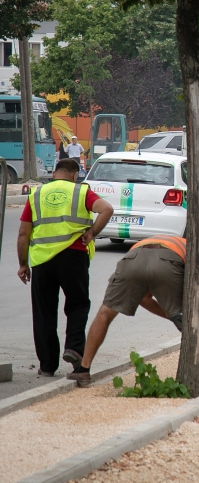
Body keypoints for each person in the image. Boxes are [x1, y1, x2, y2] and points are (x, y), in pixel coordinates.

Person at [66, 235, 199, 387]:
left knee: (105, 313)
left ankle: (83, 370)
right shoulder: (193, 249)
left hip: (131, 259)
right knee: (198, 317)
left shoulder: (161, 241)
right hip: (167, 262)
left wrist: (173, 316)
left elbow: (144, 299)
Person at [17, 159, 114, 377]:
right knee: (78, 305)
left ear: (54, 174)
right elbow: (107, 209)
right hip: (74, 256)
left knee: (44, 313)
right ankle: (74, 349)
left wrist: (23, 263)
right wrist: (92, 233)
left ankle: (47, 365)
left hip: (42, 261)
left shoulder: (36, 195)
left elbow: (23, 233)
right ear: (74, 175)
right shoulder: (81, 192)